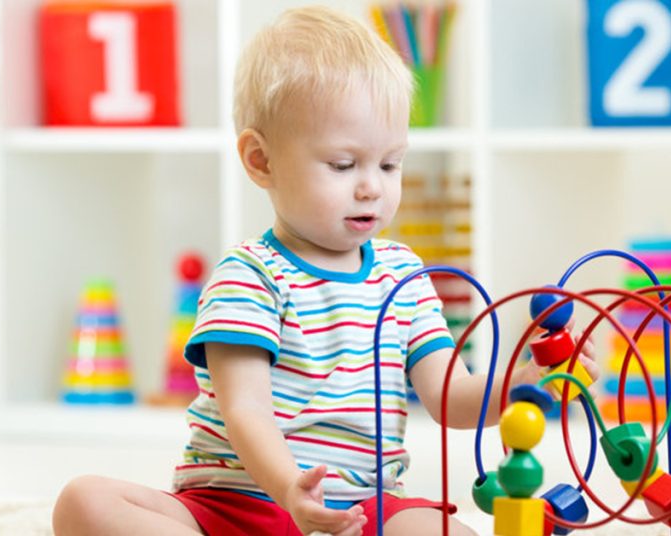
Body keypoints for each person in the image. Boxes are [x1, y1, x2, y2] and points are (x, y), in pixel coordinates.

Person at [52, 6, 598, 536]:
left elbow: (448, 395)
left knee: (442, 528)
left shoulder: (402, 277)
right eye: (343, 165)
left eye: (390, 163)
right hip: (237, 505)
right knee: (85, 502)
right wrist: (290, 488)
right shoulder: (249, 275)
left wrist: (521, 381)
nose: (372, 186)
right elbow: (246, 412)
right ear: (261, 161)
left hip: (363, 511)